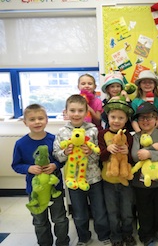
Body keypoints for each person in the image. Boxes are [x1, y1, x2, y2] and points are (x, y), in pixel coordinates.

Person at [53, 94, 111, 246]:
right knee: (79, 213)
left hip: (94, 178)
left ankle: (104, 235)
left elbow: (100, 154)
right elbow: (57, 156)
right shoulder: (61, 133)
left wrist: (90, 153)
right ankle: (83, 238)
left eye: (80, 110)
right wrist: (65, 153)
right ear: (66, 112)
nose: (76, 114)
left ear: (87, 112)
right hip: (73, 181)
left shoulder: (93, 130)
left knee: (99, 211)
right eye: (72, 110)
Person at [11, 104, 70, 246]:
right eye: (32, 119)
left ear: (46, 120)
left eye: (40, 118)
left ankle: (63, 243)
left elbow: (61, 158)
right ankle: (44, 243)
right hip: (35, 191)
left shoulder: (54, 139)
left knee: (60, 219)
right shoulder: (21, 144)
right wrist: (29, 168)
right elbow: (16, 165)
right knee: (39, 221)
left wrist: (55, 165)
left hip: (54, 189)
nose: (37, 122)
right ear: (25, 123)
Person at [131, 102, 158, 246]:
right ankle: (145, 234)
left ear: (156, 120)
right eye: (141, 118)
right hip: (141, 183)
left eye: (149, 118)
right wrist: (152, 148)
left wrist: (148, 154)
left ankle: (157, 229)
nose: (145, 121)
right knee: (144, 209)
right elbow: (136, 156)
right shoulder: (136, 136)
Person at [98, 99, 137, 246]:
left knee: (127, 211)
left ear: (126, 119)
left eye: (121, 118)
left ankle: (128, 234)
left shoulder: (129, 136)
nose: (116, 121)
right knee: (112, 212)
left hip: (126, 179)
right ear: (107, 117)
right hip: (108, 180)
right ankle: (116, 236)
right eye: (113, 117)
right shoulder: (102, 135)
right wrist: (107, 150)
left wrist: (128, 153)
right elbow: (99, 157)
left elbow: (133, 161)